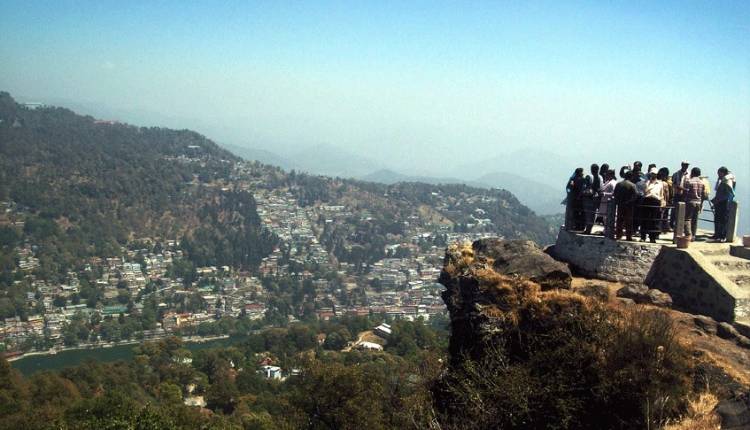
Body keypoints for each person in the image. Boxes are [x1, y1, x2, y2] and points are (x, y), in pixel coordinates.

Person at [640, 168, 665, 243]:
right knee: (644, 220)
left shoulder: (660, 184)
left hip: (656, 201)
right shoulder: (646, 182)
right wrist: (648, 184)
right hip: (647, 200)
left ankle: (652, 238)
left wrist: (661, 203)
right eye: (651, 174)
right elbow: (645, 192)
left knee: (654, 220)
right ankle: (643, 237)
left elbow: (661, 194)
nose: (652, 175)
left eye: (654, 174)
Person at [711, 167, 736, 242]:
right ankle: (717, 234)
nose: (718, 175)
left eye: (719, 173)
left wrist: (717, 200)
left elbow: (728, 193)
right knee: (718, 219)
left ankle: (722, 235)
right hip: (720, 202)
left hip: (724, 203)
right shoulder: (724, 180)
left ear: (723, 173)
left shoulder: (727, 181)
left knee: (723, 220)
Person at [613, 169, 638, 241]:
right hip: (629, 206)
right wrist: (629, 202)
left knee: (619, 221)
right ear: (631, 177)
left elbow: (615, 194)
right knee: (628, 222)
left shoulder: (619, 184)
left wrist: (619, 201)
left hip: (620, 205)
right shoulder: (632, 185)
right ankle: (628, 237)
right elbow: (635, 195)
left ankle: (618, 235)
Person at [683, 167, 707, 240]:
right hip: (698, 202)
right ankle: (693, 235)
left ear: (692, 173)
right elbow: (703, 194)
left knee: (687, 219)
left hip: (690, 202)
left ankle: (688, 234)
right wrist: (701, 203)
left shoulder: (689, 181)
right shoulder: (702, 183)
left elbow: (685, 192)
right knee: (695, 220)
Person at [671, 161, 690, 228]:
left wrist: (685, 190)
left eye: (687, 165)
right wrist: (679, 187)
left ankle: (681, 225)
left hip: (685, 195)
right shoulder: (676, 174)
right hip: (677, 194)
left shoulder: (689, 175)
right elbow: (673, 183)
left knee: (683, 211)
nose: (686, 166)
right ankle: (672, 224)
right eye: (685, 165)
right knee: (674, 210)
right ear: (682, 165)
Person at [584, 164, 601, 234]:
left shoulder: (589, 177)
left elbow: (585, 186)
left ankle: (588, 229)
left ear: (591, 169)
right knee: (593, 214)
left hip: (589, 198)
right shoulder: (599, 177)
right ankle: (589, 228)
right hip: (595, 197)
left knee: (588, 214)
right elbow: (599, 188)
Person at [657, 167, 673, 233]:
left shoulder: (667, 183)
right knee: (664, 216)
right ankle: (663, 229)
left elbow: (670, 193)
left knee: (662, 216)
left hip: (663, 201)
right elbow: (670, 193)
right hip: (664, 201)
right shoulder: (667, 183)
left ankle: (662, 229)